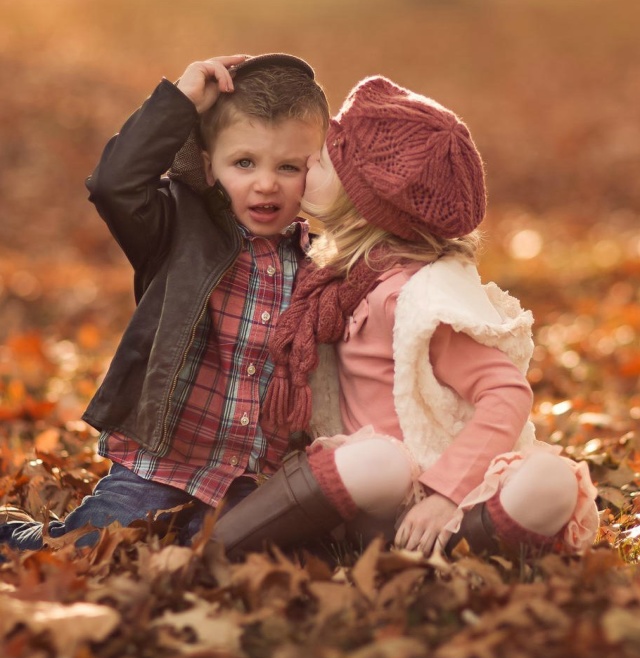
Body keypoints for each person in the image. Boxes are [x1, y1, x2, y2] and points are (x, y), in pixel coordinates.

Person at [211, 75, 599, 560]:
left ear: (363, 202)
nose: (310, 160)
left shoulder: (416, 298)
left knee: (550, 481)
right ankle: (219, 547)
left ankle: (445, 547)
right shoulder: (336, 278)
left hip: (444, 485)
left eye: (325, 159)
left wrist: (443, 495)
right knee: (380, 463)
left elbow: (505, 393)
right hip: (371, 488)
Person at [0, 53, 330, 552]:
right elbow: (114, 186)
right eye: (244, 162)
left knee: (235, 554)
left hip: (245, 480)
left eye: (289, 166)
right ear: (208, 164)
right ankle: (15, 534)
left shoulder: (319, 265)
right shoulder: (177, 228)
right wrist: (178, 103)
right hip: (158, 466)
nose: (266, 183)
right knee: (82, 550)